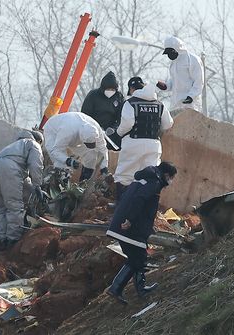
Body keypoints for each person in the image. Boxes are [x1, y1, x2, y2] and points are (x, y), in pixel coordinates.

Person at [106, 162, 177, 304]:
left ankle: (138, 288)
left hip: (122, 224)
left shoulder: (145, 179)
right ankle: (117, 288)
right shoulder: (154, 182)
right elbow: (139, 200)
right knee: (137, 258)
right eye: (171, 178)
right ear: (167, 175)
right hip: (129, 228)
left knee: (138, 258)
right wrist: (130, 220)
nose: (170, 182)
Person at [113, 78, 174, 204]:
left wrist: (118, 133)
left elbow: (127, 124)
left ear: (131, 89)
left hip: (133, 142)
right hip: (153, 144)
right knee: (150, 176)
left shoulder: (130, 103)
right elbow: (168, 124)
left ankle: (121, 207)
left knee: (125, 175)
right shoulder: (159, 104)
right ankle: (144, 206)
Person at [0, 130, 44, 250]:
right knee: (14, 207)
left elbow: (24, 177)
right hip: (8, 169)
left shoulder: (13, 147)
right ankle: (12, 241)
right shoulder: (33, 144)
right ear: (39, 141)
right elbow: (35, 165)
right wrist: (38, 185)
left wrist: (31, 187)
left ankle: (1, 240)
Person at [43, 112, 109, 182]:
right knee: (60, 164)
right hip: (53, 131)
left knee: (91, 155)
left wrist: (104, 168)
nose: (91, 146)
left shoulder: (96, 128)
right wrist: (68, 161)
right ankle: (58, 185)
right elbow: (55, 151)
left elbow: (102, 149)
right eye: (89, 144)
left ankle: (84, 182)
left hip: (75, 135)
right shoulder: (67, 132)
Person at [156, 36, 204, 114]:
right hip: (175, 103)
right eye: (167, 53)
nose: (169, 55)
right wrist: (165, 86)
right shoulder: (174, 63)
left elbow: (199, 81)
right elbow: (174, 81)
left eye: (170, 52)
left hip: (191, 105)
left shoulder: (192, 60)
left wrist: (191, 96)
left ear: (178, 49)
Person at [81, 71, 124, 150]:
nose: (110, 91)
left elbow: (121, 117)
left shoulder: (118, 97)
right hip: (94, 130)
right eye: (108, 88)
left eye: (112, 89)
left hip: (111, 133)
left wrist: (114, 128)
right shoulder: (93, 95)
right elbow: (85, 115)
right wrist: (94, 127)